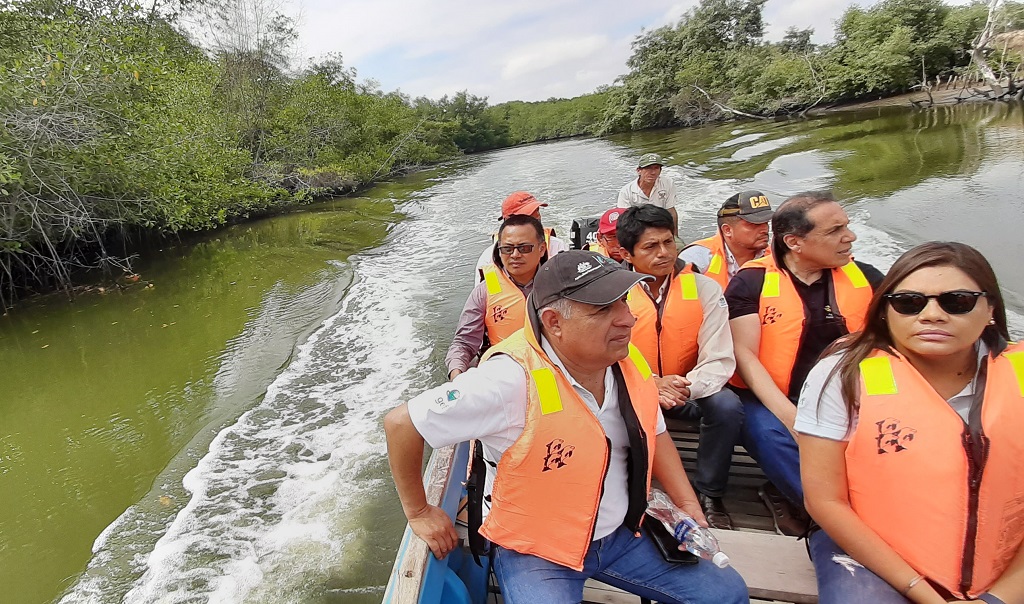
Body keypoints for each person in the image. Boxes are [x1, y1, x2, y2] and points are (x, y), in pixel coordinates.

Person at [385, 250, 748, 604]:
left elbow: (655, 431)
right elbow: (401, 423)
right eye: (604, 309)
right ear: (554, 322)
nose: (627, 318)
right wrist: (419, 512)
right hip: (537, 549)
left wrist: (687, 505)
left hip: (621, 533)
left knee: (726, 593)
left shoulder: (624, 361)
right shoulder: (508, 380)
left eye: (623, 301)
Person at [797, 242, 1024, 604]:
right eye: (909, 302)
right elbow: (826, 500)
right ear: (886, 311)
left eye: (957, 301)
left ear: (991, 309)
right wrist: (925, 595)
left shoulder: (1020, 376)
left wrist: (998, 598)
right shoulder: (842, 376)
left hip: (1007, 557)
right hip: (878, 554)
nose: (932, 315)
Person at [724, 191, 884, 536]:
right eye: (835, 230)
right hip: (775, 396)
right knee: (769, 434)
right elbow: (745, 356)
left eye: (848, 227)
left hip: (847, 393)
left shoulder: (867, 277)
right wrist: (790, 416)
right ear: (794, 242)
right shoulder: (750, 283)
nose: (849, 237)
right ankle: (841, 520)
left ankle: (874, 504)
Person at [616, 205, 742, 530]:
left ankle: (709, 492)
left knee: (727, 405)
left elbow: (719, 356)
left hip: (688, 392)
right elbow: (608, 354)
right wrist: (650, 383)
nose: (664, 253)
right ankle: (628, 489)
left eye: (668, 242)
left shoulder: (704, 289)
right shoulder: (613, 296)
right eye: (650, 246)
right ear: (627, 254)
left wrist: (685, 386)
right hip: (635, 391)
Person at [446, 214, 548, 380]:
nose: (515, 255)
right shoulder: (484, 291)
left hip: (546, 371)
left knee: (551, 404)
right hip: (502, 373)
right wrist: (457, 376)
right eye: (507, 249)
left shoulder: (560, 286)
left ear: (541, 249)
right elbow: (463, 343)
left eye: (524, 248)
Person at [680, 190, 773, 289]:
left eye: (766, 223)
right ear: (727, 230)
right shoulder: (697, 258)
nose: (765, 229)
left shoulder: (779, 257)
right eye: (755, 224)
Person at [474, 191, 568, 283]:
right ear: (508, 221)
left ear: (542, 249)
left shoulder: (557, 246)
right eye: (528, 215)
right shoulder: (488, 260)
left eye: (537, 211)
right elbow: (491, 293)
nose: (536, 217)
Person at [617, 153, 679, 232]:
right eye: (648, 168)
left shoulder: (668, 183)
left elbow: (671, 210)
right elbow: (625, 219)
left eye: (656, 168)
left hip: (662, 226)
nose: (653, 172)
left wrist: (675, 235)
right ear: (639, 170)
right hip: (638, 230)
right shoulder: (626, 191)